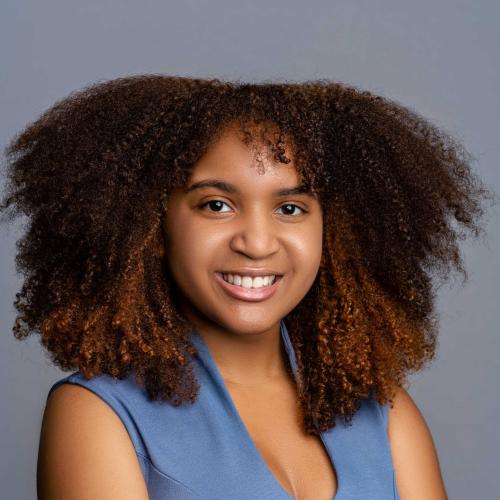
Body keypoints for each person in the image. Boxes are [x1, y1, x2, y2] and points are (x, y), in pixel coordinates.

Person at [1, 75, 494, 499]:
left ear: (333, 234)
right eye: (216, 204)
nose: (257, 243)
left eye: (290, 208)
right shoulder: (98, 412)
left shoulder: (385, 413)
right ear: (150, 227)